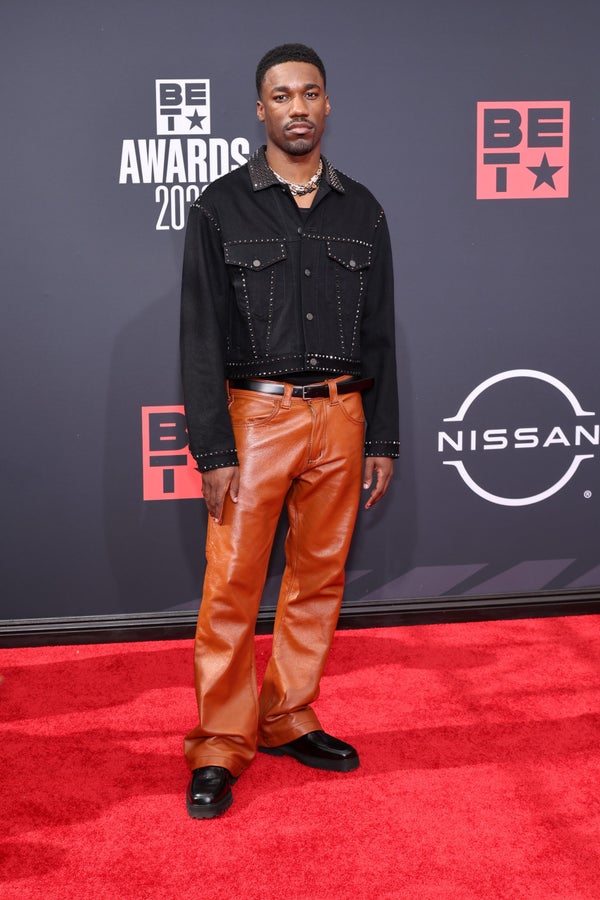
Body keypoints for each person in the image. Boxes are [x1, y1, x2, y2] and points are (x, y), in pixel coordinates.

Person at [180, 43, 399, 819]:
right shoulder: (220, 206)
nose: (297, 108)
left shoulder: (362, 209)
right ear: (261, 109)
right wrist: (213, 448)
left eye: (310, 93)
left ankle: (288, 715)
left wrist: (382, 438)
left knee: (319, 581)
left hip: (342, 416)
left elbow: (380, 334)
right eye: (282, 96)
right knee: (231, 589)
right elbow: (200, 334)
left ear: (327, 105)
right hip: (256, 419)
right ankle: (219, 742)